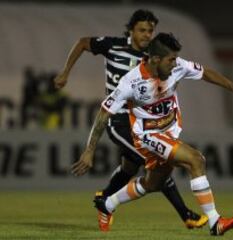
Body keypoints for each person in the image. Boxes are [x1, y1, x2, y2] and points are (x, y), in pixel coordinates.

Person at [71, 33, 233, 236]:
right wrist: (89, 151)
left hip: (169, 132)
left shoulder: (177, 66)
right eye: (171, 60)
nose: (175, 63)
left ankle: (107, 203)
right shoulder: (131, 83)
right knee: (196, 160)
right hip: (147, 136)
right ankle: (215, 222)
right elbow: (103, 115)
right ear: (156, 59)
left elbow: (205, 73)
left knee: (153, 183)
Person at [54, 9, 207, 231]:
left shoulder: (154, 57)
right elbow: (83, 43)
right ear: (131, 30)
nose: (147, 34)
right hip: (117, 121)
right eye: (142, 30)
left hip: (142, 122)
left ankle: (104, 199)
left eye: (150, 30)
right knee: (156, 162)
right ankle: (187, 215)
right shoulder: (113, 45)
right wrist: (65, 72)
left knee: (129, 167)